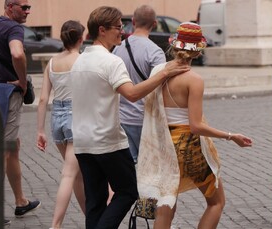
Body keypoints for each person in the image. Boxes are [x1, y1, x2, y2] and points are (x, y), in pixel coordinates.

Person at [70, 6, 190, 229]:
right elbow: (132, 94)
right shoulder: (111, 61)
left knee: (95, 201)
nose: (122, 32)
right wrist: (165, 72)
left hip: (83, 142)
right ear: (102, 30)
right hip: (108, 141)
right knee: (127, 191)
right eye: (118, 27)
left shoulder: (79, 61)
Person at [136, 22, 253, 229]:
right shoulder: (194, 80)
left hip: (163, 146)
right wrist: (230, 135)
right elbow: (196, 126)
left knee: (166, 206)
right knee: (216, 202)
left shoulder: (158, 72)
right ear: (198, 51)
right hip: (187, 147)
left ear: (174, 46)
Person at [0, 0, 41, 225]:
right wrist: (22, 82)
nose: (27, 11)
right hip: (7, 94)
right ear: (9, 7)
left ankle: (21, 201)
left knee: (13, 147)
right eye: (23, 7)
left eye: (29, 7)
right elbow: (18, 54)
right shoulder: (14, 28)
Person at [36, 20, 86, 229]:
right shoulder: (82, 61)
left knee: (76, 175)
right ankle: (55, 225)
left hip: (58, 117)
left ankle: (91, 219)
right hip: (77, 117)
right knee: (70, 173)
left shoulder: (52, 63)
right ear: (81, 38)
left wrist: (40, 130)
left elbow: (43, 98)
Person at [113, 5, 166, 163]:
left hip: (121, 118)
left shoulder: (117, 49)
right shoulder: (155, 52)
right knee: (149, 167)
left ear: (133, 21)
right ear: (154, 24)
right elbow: (160, 87)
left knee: (127, 168)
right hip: (145, 118)